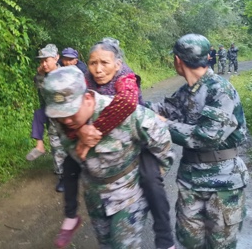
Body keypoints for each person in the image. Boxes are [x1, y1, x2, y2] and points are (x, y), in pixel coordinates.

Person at [55, 38, 175, 249]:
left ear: (117, 63)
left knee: (151, 180)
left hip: (134, 138)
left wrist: (95, 130)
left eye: (104, 63)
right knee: (70, 165)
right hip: (94, 140)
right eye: (93, 63)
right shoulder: (85, 79)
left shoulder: (125, 77)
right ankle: (71, 215)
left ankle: (165, 238)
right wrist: (80, 129)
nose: (98, 70)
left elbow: (127, 102)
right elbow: (66, 109)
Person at [146, 34, 249, 249]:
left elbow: (207, 136)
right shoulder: (187, 91)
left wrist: (162, 124)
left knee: (220, 245)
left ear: (177, 60)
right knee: (189, 242)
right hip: (191, 182)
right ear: (208, 55)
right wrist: (132, 105)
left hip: (223, 184)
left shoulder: (220, 89)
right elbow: (166, 109)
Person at [25, 44, 66, 192]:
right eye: (41, 61)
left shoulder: (66, 74)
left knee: (71, 145)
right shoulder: (41, 75)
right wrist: (40, 76)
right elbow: (41, 95)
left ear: (56, 58)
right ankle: (62, 177)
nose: (43, 64)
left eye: (46, 60)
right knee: (56, 146)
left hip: (68, 117)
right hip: (52, 116)